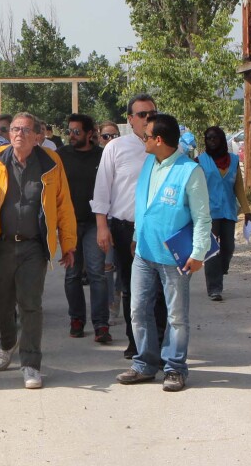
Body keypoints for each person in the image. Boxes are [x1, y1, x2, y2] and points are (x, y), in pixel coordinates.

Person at [0, 112, 77, 389]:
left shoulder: (50, 162)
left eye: (25, 130)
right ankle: (7, 343)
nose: (19, 134)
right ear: (9, 134)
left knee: (31, 305)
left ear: (37, 136)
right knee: (2, 303)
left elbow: (63, 204)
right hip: (1, 244)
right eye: (14, 129)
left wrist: (68, 244)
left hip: (34, 246)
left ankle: (31, 364)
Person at [115, 115, 211, 393]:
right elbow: (143, 204)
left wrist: (198, 253)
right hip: (145, 252)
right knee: (138, 310)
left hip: (174, 258)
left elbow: (203, 217)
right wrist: (136, 236)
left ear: (159, 140)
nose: (142, 140)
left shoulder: (189, 171)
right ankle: (145, 363)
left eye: (145, 136)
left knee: (176, 316)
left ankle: (175, 368)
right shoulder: (149, 163)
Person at [91, 94, 167, 359]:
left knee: (160, 288)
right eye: (143, 114)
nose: (148, 119)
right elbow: (102, 189)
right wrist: (102, 227)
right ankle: (136, 342)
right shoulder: (116, 147)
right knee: (131, 288)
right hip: (125, 228)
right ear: (130, 119)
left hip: (159, 229)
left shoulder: (166, 146)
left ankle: (158, 343)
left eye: (152, 113)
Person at [58, 113, 113, 343]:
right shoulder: (61, 156)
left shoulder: (102, 157)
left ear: (90, 134)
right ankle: (76, 319)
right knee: (72, 274)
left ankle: (101, 324)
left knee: (96, 273)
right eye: (69, 131)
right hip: (69, 225)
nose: (71, 135)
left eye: (77, 131)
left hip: (94, 223)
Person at [197, 126, 251, 301]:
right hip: (208, 212)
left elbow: (239, 188)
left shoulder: (234, 160)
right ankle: (215, 288)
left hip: (228, 210)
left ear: (222, 140)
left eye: (215, 138)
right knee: (212, 250)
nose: (212, 142)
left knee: (228, 247)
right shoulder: (200, 161)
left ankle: (220, 269)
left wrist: (247, 211)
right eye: (209, 138)